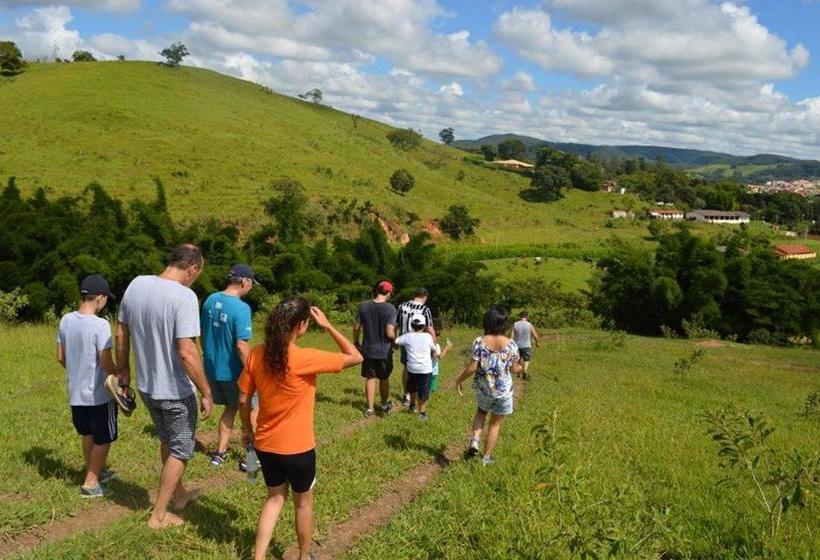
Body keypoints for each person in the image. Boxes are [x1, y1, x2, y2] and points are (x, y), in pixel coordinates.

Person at [238, 297, 362, 560]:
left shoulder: (256, 354)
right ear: (302, 325)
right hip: (299, 448)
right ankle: (304, 556)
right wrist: (328, 326)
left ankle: (257, 557)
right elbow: (356, 356)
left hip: (265, 444)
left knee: (274, 499)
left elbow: (243, 399)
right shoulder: (305, 357)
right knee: (302, 503)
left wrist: (246, 429)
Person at [116, 244, 214, 529]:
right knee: (182, 449)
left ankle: (179, 495)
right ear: (192, 268)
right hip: (175, 391)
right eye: (197, 274)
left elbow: (122, 330)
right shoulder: (184, 297)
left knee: (167, 440)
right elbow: (187, 352)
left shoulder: (137, 284)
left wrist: (123, 368)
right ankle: (158, 515)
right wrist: (206, 391)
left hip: (147, 386)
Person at [56, 274, 119, 498]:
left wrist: (78, 372)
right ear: (99, 298)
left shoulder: (65, 320)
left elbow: (61, 357)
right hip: (99, 395)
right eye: (106, 299)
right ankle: (91, 483)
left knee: (88, 433)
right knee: (104, 438)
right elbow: (105, 361)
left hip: (76, 393)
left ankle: (92, 471)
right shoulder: (100, 325)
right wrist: (117, 376)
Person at [201, 264, 257, 468]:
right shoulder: (242, 309)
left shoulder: (210, 300)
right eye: (251, 284)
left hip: (212, 370)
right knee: (252, 411)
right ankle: (250, 460)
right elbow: (242, 346)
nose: (250, 288)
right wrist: (255, 371)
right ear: (245, 282)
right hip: (235, 372)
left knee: (230, 408)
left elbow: (203, 332)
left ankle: (220, 454)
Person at [453, 305, 521, 466]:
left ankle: (475, 441)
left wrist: (459, 380)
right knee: (495, 424)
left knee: (481, 413)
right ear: (505, 325)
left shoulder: (479, 342)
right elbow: (514, 368)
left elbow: (472, 366)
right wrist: (521, 367)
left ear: (487, 322)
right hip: (503, 393)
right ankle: (486, 458)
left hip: (484, 390)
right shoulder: (511, 345)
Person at [353, 281, 397, 417]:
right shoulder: (390, 309)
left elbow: (356, 327)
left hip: (368, 349)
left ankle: (370, 408)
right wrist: (395, 342)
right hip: (384, 351)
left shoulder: (363, 306)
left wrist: (356, 342)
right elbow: (390, 332)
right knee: (384, 378)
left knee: (370, 378)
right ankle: (384, 405)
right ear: (388, 293)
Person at [394, 314, 439, 420]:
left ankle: (412, 405)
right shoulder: (428, 337)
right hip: (425, 369)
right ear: (424, 326)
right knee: (423, 391)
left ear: (411, 325)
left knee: (412, 388)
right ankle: (422, 413)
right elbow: (434, 349)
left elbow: (396, 341)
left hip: (412, 368)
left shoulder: (407, 336)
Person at [396, 288, 435, 407]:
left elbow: (396, 324)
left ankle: (406, 394)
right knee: (421, 366)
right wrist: (434, 343)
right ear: (425, 297)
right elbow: (429, 328)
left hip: (405, 340)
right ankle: (418, 394)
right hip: (421, 342)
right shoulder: (425, 309)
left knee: (407, 367)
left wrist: (394, 342)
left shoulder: (402, 306)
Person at [511, 311, 540, 380]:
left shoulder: (515, 324)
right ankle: (525, 370)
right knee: (527, 359)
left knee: (518, 359)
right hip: (526, 345)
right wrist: (537, 343)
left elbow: (512, 336)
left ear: (520, 316)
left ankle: (518, 372)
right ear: (527, 317)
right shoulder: (529, 325)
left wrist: (510, 344)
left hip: (516, 345)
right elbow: (535, 336)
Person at [428, 318, 453, 393]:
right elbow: (440, 357)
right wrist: (447, 347)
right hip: (433, 372)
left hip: (424, 370)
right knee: (432, 390)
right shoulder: (436, 345)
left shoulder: (425, 342)